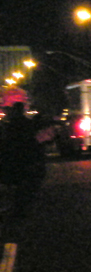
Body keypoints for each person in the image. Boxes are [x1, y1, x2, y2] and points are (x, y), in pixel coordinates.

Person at [0, 102, 47, 240]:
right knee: (24, 195)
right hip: (26, 164)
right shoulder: (27, 125)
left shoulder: (9, 125)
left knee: (15, 193)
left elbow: (6, 145)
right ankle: (19, 224)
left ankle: (13, 225)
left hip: (14, 164)